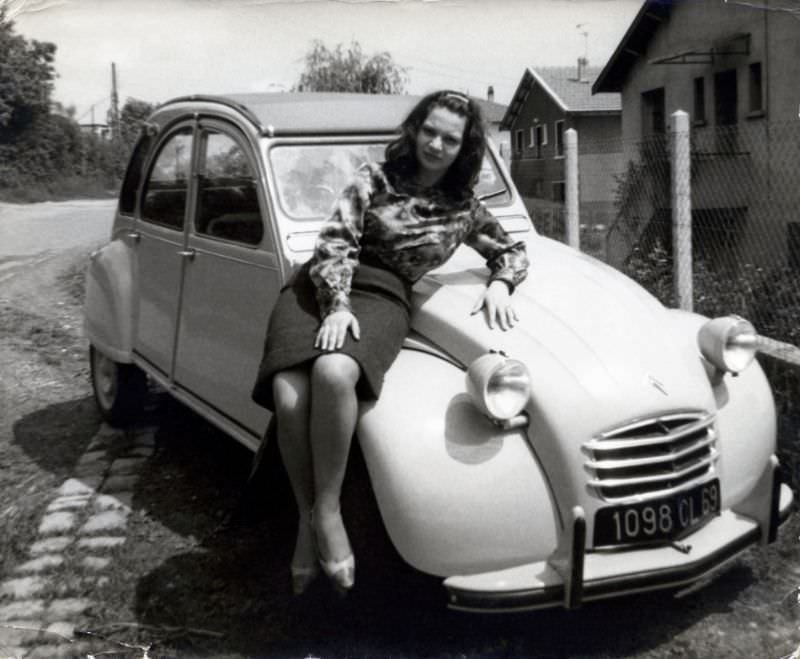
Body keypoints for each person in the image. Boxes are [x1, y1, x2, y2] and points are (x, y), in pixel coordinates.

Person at [251, 90, 529, 597]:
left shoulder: (463, 208)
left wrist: (500, 282)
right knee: (290, 397)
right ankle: (305, 518)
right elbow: (335, 242)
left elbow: (511, 249)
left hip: (383, 295)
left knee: (335, 373)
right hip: (317, 285)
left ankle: (329, 509)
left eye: (451, 138)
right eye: (430, 131)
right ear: (415, 129)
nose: (437, 144)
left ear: (465, 147)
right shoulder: (373, 178)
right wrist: (336, 305)